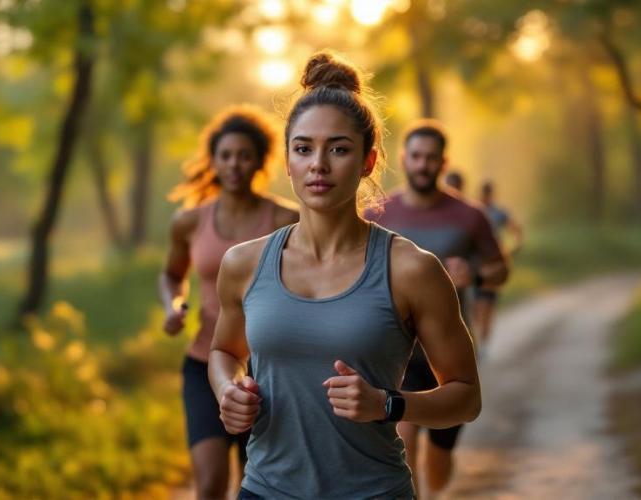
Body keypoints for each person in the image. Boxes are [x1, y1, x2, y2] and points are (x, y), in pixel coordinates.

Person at [208, 50, 481, 500]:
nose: (318, 164)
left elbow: (467, 397)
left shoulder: (412, 269)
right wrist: (227, 390)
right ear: (288, 161)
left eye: (338, 148)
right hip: (265, 490)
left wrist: (387, 404)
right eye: (303, 149)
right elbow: (224, 350)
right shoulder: (243, 264)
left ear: (368, 162)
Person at [160, 105, 298, 499]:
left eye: (244, 155)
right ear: (213, 161)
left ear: (260, 161)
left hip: (268, 371)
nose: (234, 164)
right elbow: (171, 274)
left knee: (254, 486)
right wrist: (173, 305)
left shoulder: (285, 220)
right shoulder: (188, 222)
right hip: (205, 363)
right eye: (225, 155)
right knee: (209, 483)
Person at [368, 119, 509, 497]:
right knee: (404, 439)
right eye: (416, 156)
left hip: (449, 351)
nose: (423, 164)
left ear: (443, 162)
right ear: (403, 158)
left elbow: (501, 269)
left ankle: (436, 491)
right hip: (398, 350)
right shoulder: (377, 213)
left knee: (439, 457)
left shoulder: (469, 216)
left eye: (431, 158)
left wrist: (474, 275)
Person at [472, 180, 524, 349]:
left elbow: (516, 230)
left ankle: (483, 344)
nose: (484, 196)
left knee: (486, 305)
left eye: (487, 193)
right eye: (483, 192)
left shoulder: (498, 213)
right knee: (475, 307)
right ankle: (477, 341)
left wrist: (510, 250)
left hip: (493, 266)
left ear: (490, 193)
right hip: (475, 265)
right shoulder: (474, 210)